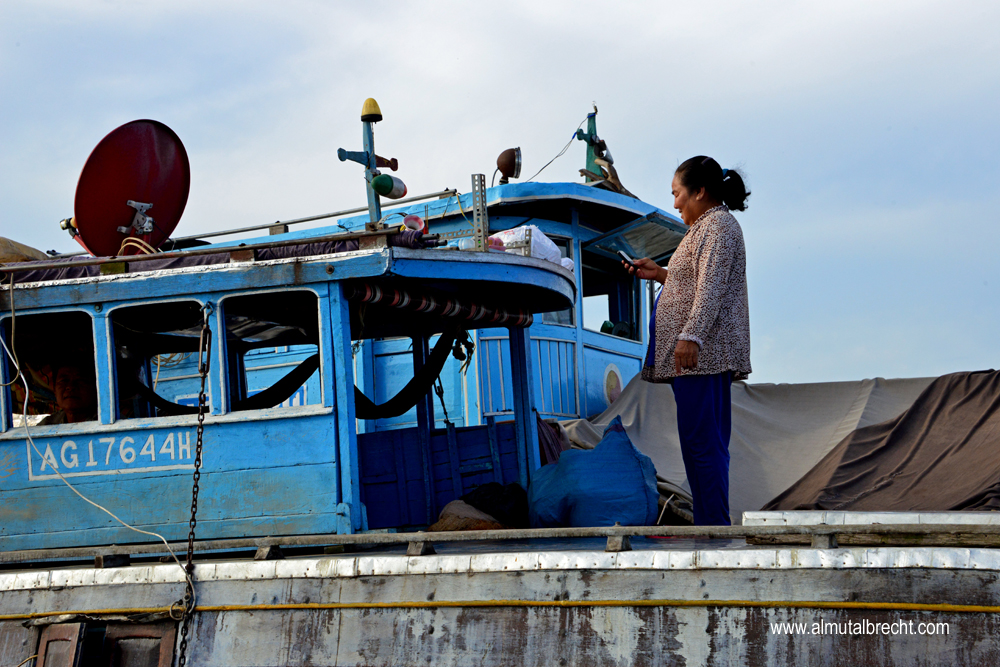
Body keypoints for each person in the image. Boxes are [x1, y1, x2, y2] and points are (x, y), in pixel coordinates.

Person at [624, 156, 751, 525]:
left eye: (677, 193)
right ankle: (708, 526)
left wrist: (691, 336)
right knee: (699, 446)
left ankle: (714, 530)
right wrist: (661, 274)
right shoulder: (705, 228)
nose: (675, 202)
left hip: (703, 358)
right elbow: (695, 282)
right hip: (696, 360)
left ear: (699, 191)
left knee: (704, 446)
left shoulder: (718, 226)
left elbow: (710, 287)